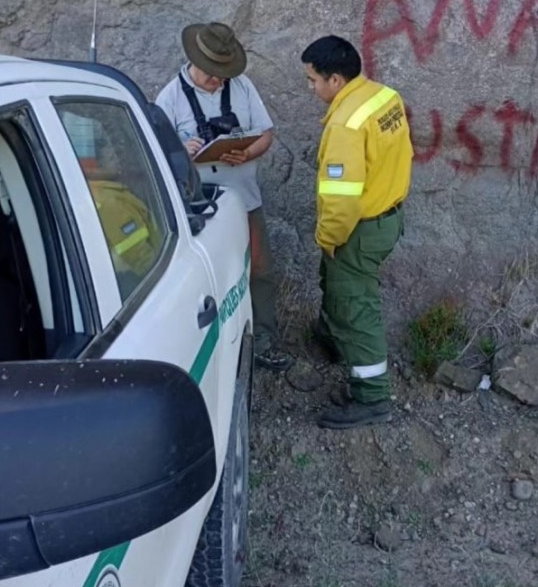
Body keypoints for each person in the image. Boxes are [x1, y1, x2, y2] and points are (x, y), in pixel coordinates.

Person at [156, 22, 293, 372]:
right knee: (206, 279)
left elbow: (266, 133)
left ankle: (263, 339)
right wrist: (180, 151)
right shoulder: (170, 97)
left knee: (261, 270)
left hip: (245, 197)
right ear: (195, 62)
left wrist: (248, 152)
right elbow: (156, 156)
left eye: (224, 74)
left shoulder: (243, 87)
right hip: (198, 205)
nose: (219, 80)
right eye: (213, 74)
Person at [300, 35, 413, 429]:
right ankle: (333, 342)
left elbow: (341, 200)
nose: (311, 88)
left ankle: (371, 397)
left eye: (313, 80)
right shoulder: (384, 97)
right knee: (338, 290)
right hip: (387, 216)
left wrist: (328, 239)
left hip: (357, 230)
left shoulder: (346, 126)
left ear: (335, 80)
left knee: (356, 309)